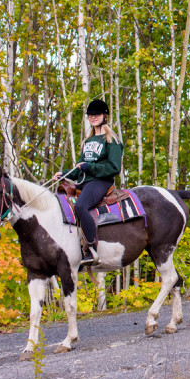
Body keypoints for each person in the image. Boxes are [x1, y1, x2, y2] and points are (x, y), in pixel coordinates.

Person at [53, 99, 124, 267]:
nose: (93, 117)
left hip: (101, 182)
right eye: (91, 115)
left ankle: (91, 247)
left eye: (97, 114)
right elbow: (80, 168)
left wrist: (89, 167)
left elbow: (114, 167)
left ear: (105, 116)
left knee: (81, 206)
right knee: (61, 201)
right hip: (86, 181)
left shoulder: (112, 140)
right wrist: (65, 173)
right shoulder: (87, 141)